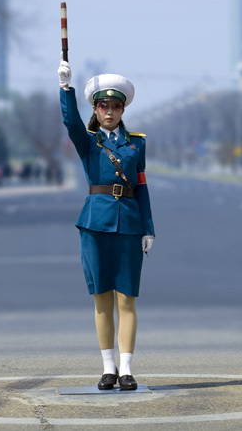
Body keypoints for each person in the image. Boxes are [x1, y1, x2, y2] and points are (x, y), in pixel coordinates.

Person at [58, 57, 155, 391]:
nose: (110, 112)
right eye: (103, 106)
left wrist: (149, 227)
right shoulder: (88, 142)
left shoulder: (136, 143)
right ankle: (108, 368)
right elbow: (70, 122)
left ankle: (127, 369)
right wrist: (65, 88)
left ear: (123, 110)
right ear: (96, 110)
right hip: (95, 224)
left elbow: (141, 187)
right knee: (101, 298)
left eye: (116, 106)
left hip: (128, 224)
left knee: (126, 300)